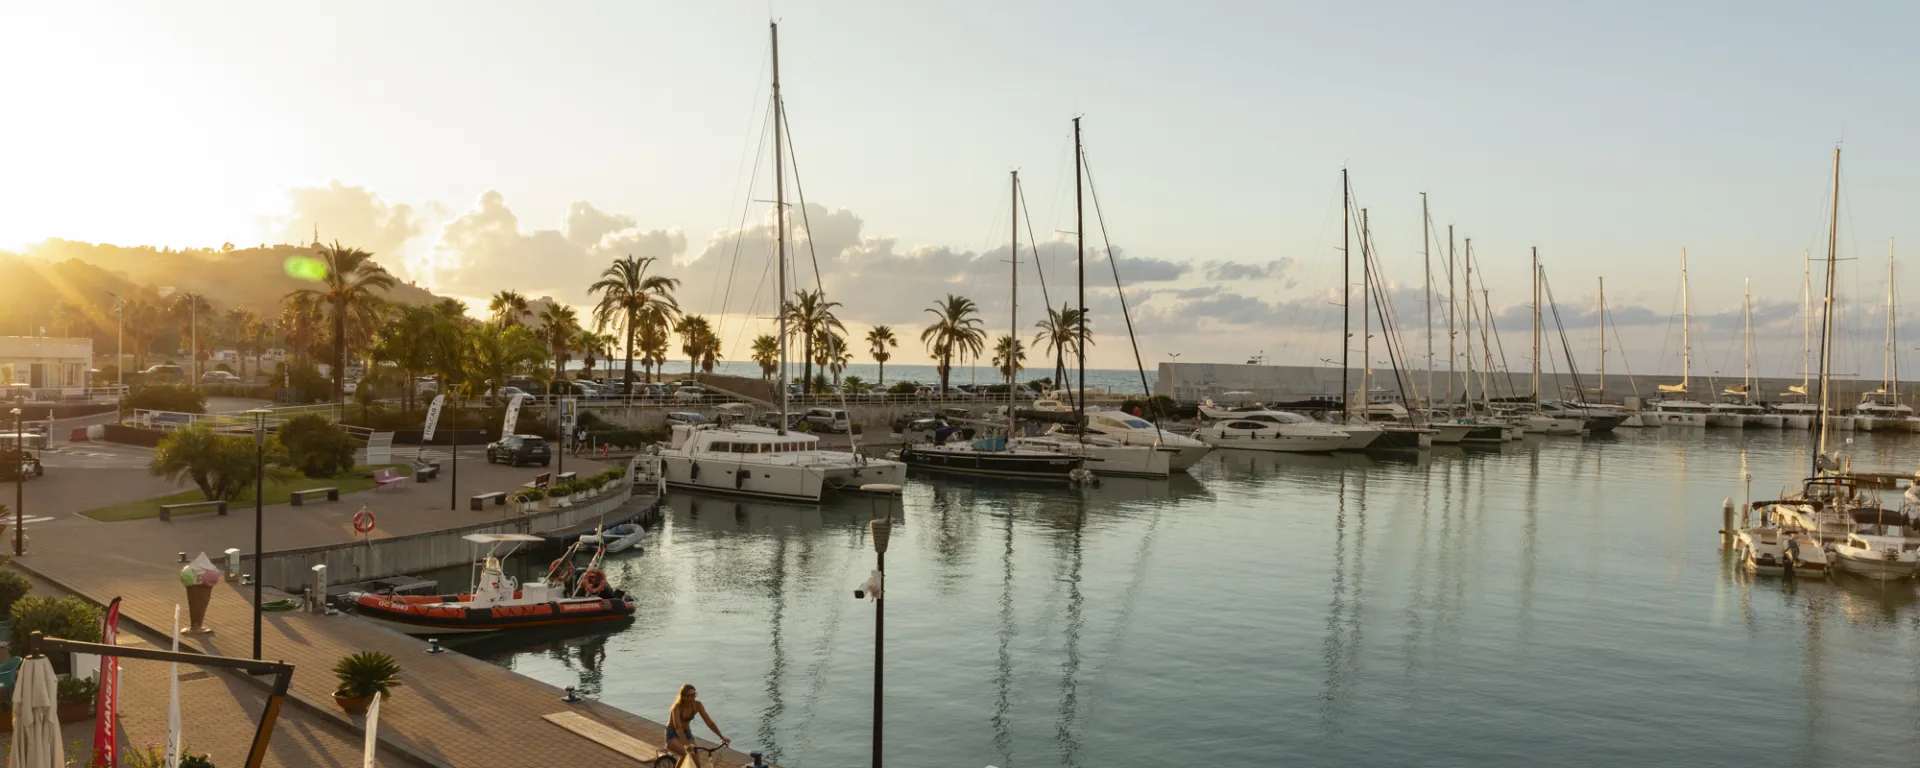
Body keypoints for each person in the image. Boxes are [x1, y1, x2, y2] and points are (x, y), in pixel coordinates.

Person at [665, 684, 728, 764]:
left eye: (693, 695)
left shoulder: (697, 705)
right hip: (673, 733)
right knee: (686, 753)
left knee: (695, 756)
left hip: (686, 733)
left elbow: (709, 723)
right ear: (683, 696)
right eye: (689, 696)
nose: (692, 698)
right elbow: (678, 728)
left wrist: (721, 736)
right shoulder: (676, 708)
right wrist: (686, 745)